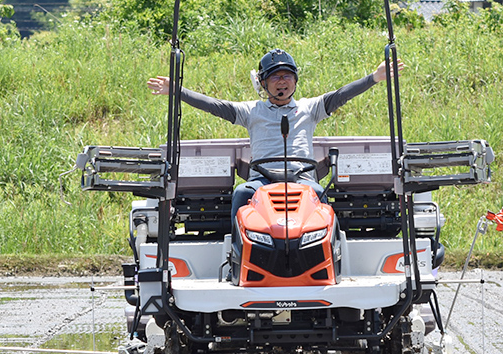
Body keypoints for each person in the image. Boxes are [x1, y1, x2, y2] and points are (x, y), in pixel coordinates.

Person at [146, 48, 402, 229]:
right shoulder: (251, 111)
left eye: (287, 76)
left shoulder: (310, 108)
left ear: (295, 80)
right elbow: (215, 105)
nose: (282, 82)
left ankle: (332, 256)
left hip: (302, 180)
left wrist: (374, 78)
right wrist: (177, 91)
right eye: (275, 77)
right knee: (240, 193)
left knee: (322, 198)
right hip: (261, 181)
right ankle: (237, 253)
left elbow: (341, 95)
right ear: (263, 82)